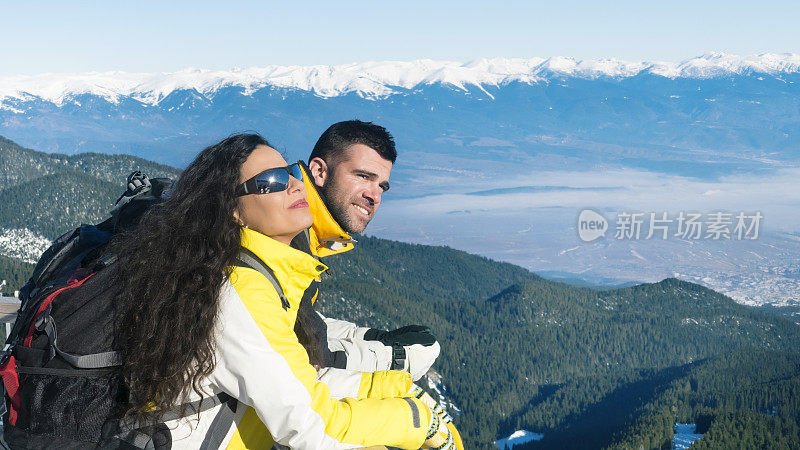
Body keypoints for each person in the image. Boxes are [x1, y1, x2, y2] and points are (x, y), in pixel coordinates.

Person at [111, 133, 458, 448]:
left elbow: (299, 378)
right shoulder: (239, 292)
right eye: (272, 181)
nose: (296, 185)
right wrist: (419, 422)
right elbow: (311, 429)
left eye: (290, 173)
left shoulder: (248, 273)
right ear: (233, 210)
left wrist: (394, 387)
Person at [290, 120, 441, 381]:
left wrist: (373, 338)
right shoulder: (284, 237)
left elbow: (297, 322)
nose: (375, 195)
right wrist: (394, 358)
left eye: (381, 185)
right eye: (363, 176)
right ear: (319, 171)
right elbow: (301, 360)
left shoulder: (302, 229)